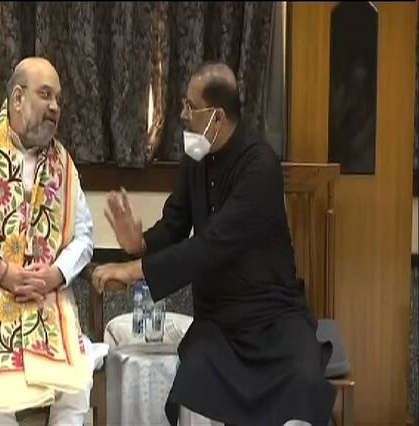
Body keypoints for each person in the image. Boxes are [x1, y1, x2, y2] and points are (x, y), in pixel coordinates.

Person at [92, 62, 336, 426]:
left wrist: (133, 271)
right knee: (195, 382)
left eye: (191, 107)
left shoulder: (260, 165)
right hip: (218, 321)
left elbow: (210, 246)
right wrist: (139, 243)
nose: (183, 114)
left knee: (303, 384)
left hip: (272, 316)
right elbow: (175, 225)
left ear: (216, 116)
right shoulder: (196, 159)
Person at [0, 57, 98, 425]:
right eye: (45, 95)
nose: (55, 107)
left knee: (76, 387)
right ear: (18, 98)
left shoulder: (63, 163)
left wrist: (56, 273)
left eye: (58, 99)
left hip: (44, 295)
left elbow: (84, 236)